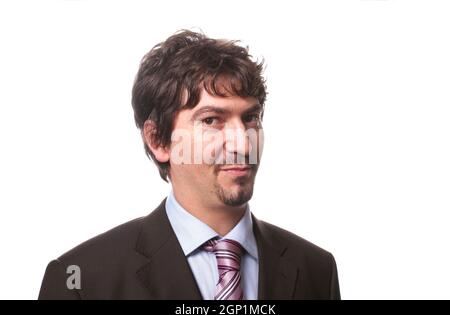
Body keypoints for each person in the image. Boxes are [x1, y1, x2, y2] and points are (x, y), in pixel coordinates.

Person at [38, 29, 340, 300]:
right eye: (211, 120)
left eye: (251, 118)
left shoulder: (316, 269)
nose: (243, 144)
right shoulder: (80, 281)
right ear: (159, 141)